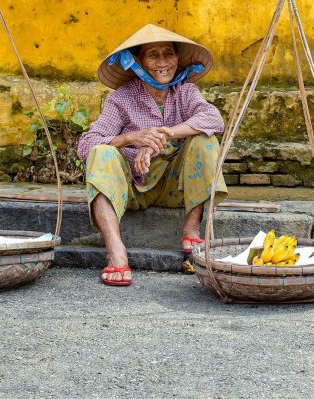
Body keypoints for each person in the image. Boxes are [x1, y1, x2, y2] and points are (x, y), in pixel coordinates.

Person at [77, 24, 227, 286]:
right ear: (139, 62)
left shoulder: (185, 91)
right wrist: (131, 138)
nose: (162, 63)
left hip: (174, 188)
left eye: (168, 54)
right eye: (152, 55)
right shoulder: (122, 98)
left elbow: (213, 118)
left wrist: (164, 134)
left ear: (177, 59)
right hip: (132, 189)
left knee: (206, 139)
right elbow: (86, 144)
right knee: (101, 151)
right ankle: (115, 251)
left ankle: (191, 229)